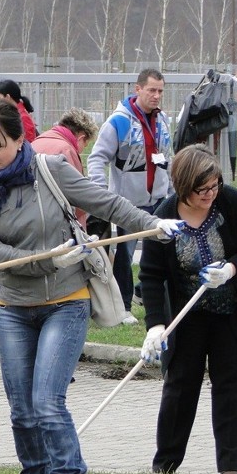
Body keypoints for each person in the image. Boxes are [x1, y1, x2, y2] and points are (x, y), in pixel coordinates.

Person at [0, 100, 183, 474]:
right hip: (13, 307)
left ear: (19, 140)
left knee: (47, 402)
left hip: (66, 301)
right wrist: (48, 259)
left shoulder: (51, 171)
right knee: (21, 409)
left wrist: (155, 224)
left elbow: (107, 203)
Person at [138, 143, 237, 474]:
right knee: (180, 386)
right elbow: (151, 276)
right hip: (187, 316)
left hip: (231, 314)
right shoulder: (164, 218)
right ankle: (164, 467)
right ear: (183, 185)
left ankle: (230, 471)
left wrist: (232, 269)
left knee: (229, 386)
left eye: (214, 185)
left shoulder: (231, 202)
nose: (210, 193)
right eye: (202, 189)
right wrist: (155, 326)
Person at [87, 69, 173, 325]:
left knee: (163, 252)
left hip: (159, 199)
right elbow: (97, 158)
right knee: (124, 255)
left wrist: (171, 189)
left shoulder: (164, 120)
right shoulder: (118, 122)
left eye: (160, 91)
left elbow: (169, 155)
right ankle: (122, 308)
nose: (156, 96)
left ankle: (152, 298)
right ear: (138, 89)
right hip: (126, 203)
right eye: (151, 90)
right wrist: (101, 193)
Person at [31, 107, 99, 229]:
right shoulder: (66, 150)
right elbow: (78, 199)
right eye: (85, 143)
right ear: (81, 138)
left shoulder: (37, 142)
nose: (83, 148)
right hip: (56, 225)